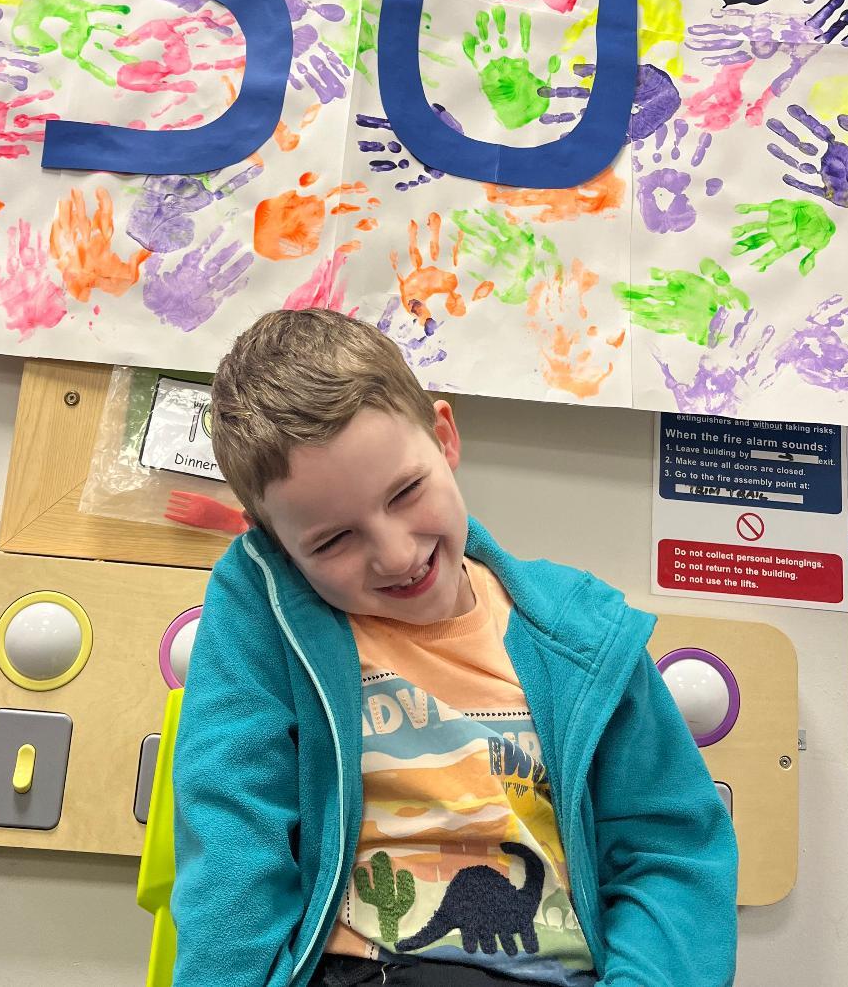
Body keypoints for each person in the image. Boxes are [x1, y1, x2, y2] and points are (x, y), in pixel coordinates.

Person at [170, 308, 738, 987]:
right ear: (277, 545)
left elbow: (670, 854)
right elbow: (233, 846)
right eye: (333, 541)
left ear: (444, 437)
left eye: (406, 493)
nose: (395, 554)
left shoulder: (583, 635)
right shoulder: (266, 610)